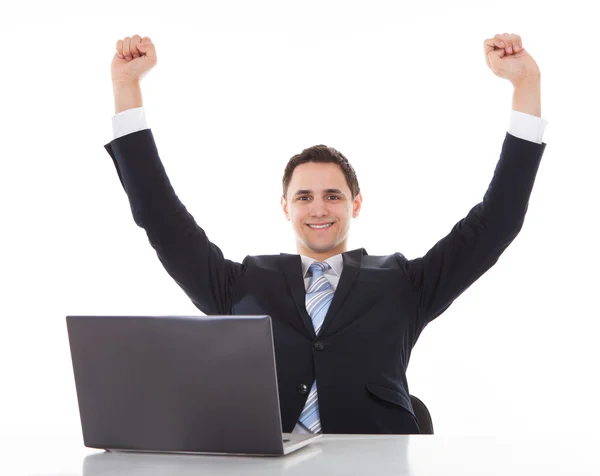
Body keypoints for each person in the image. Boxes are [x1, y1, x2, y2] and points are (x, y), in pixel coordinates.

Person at [104, 33, 548, 434]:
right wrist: (128, 91)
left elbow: (497, 221)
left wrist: (525, 87)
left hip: (376, 462)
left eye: (333, 196)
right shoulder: (241, 284)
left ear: (356, 203)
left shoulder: (405, 283)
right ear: (285, 208)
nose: (318, 208)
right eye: (304, 198)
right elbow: (163, 221)